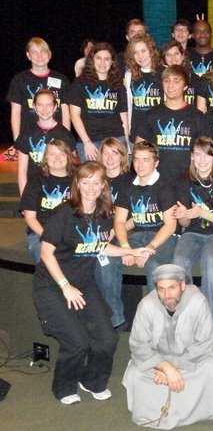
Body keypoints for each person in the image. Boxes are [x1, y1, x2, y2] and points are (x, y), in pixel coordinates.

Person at [32, 161, 152, 404]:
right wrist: (65, 285)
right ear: (77, 184)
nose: (90, 188)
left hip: (83, 284)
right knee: (77, 341)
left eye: (96, 182)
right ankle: (64, 388)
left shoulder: (104, 214)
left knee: (108, 338)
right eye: (85, 182)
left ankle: (92, 381)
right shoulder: (64, 213)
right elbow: (46, 253)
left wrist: (132, 250)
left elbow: (100, 246)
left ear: (103, 186)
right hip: (52, 285)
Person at [123, 264, 213, 428]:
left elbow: (205, 342)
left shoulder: (197, 302)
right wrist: (164, 366)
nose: (166, 295)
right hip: (156, 362)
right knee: (136, 374)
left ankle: (198, 410)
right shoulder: (146, 305)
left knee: (211, 367)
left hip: (191, 360)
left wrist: (174, 365)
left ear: (182, 285)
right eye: (161, 289)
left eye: (172, 288)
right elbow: (138, 345)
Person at [171, 137, 213, 333]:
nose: (202, 160)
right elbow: (185, 223)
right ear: (192, 157)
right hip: (193, 233)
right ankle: (189, 318)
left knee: (210, 257)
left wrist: (202, 212)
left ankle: (211, 326)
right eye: (197, 155)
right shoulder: (184, 180)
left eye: (207, 155)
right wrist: (182, 216)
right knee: (179, 262)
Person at [114, 141, 178, 292]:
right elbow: (119, 221)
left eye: (145, 160)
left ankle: (155, 307)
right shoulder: (126, 186)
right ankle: (113, 308)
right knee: (107, 260)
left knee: (153, 264)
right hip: (136, 235)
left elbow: (170, 225)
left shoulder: (165, 186)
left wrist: (149, 248)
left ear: (156, 163)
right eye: (136, 159)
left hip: (162, 237)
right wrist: (125, 248)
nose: (140, 165)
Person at [136, 65, 202, 181]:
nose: (170, 85)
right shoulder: (151, 114)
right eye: (166, 81)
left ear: (185, 86)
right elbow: (139, 147)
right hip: (158, 181)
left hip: (189, 181)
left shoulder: (197, 116)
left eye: (176, 81)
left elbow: (205, 152)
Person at [66, 41, 129, 162]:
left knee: (116, 174)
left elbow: (124, 119)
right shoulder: (80, 83)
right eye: (98, 58)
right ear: (92, 60)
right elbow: (74, 115)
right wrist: (87, 142)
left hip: (116, 139)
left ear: (112, 62)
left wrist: (125, 144)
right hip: (89, 142)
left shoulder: (118, 85)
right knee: (91, 174)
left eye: (107, 59)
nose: (102, 62)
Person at [96, 138, 133, 329]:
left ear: (122, 157)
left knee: (106, 263)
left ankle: (115, 318)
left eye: (114, 153)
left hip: (126, 231)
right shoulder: (95, 179)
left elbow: (139, 216)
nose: (109, 158)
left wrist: (115, 231)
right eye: (106, 153)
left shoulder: (131, 180)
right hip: (99, 233)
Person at [19, 140, 76, 264]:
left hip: (70, 232)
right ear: (45, 158)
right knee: (48, 261)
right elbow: (30, 218)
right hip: (41, 233)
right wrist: (50, 238)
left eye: (61, 154)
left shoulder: (78, 180)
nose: (57, 158)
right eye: (52, 154)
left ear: (68, 157)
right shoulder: (35, 181)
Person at [7, 37, 70, 140]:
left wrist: (66, 137)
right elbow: (15, 111)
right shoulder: (19, 80)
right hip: (28, 138)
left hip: (56, 138)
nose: (39, 56)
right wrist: (16, 138)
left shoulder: (61, 79)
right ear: (28, 55)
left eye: (43, 51)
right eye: (34, 52)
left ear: (49, 54)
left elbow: (65, 111)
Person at [15, 89, 76, 195]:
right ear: (34, 107)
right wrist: (24, 198)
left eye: (48, 105)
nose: (44, 109)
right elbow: (22, 170)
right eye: (40, 105)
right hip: (34, 190)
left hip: (58, 191)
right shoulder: (26, 134)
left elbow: (72, 168)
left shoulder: (65, 135)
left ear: (55, 107)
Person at [124, 34, 164, 142]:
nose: (140, 56)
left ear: (151, 50)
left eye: (143, 51)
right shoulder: (129, 75)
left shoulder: (165, 72)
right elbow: (129, 105)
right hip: (137, 132)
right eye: (135, 53)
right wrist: (128, 129)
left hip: (159, 133)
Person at [161, 40, 197, 106]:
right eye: (168, 55)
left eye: (176, 54)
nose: (173, 58)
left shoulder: (194, 78)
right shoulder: (159, 78)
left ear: (182, 56)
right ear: (164, 59)